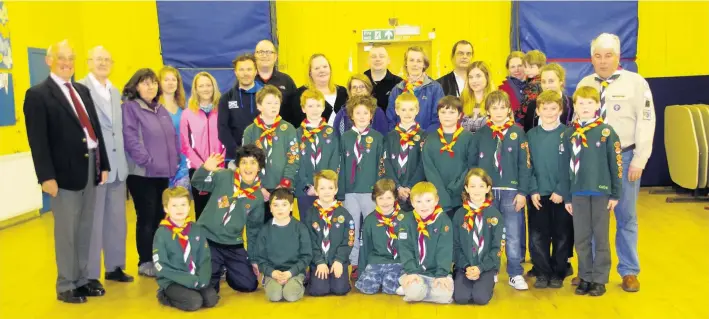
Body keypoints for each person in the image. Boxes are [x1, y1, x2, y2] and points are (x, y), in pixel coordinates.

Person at [24, 40, 110, 303]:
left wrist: (103, 164)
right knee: (67, 231)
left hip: (90, 165)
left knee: (85, 227)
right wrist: (45, 176)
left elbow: (94, 130)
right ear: (49, 60)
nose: (67, 62)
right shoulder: (38, 95)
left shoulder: (82, 91)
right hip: (62, 175)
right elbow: (37, 141)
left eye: (71, 58)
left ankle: (83, 279)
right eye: (61, 57)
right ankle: (66, 284)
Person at [576, 33, 655, 292]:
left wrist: (640, 160)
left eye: (608, 55)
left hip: (626, 157)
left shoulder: (636, 83)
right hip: (592, 162)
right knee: (591, 219)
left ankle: (629, 270)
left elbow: (646, 122)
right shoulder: (585, 83)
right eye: (597, 56)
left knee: (626, 216)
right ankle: (588, 270)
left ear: (618, 57)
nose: (603, 61)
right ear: (591, 58)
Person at [559, 86, 622, 297]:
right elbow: (564, 168)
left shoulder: (606, 132)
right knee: (582, 237)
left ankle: (600, 278)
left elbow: (616, 165)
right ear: (574, 107)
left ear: (597, 105)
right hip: (577, 193)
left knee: (601, 237)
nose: (585, 107)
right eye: (580, 103)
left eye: (589, 103)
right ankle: (585, 275)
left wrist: (615, 193)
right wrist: (567, 196)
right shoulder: (569, 134)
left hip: (601, 192)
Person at [78, 46, 133, 286]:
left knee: (116, 220)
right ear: (89, 62)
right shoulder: (80, 89)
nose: (103, 63)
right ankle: (90, 274)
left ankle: (115, 267)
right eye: (98, 59)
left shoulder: (114, 90)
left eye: (107, 60)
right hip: (95, 167)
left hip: (118, 165)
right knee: (93, 222)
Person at [470, 90, 531, 290]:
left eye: (502, 107)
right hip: (486, 192)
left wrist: (522, 192)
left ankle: (514, 272)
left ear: (508, 110)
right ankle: (491, 270)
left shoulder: (517, 132)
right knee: (488, 232)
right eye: (494, 108)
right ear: (487, 110)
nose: (498, 111)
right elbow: (473, 165)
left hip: (511, 191)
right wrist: (475, 191)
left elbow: (525, 164)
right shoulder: (480, 134)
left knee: (513, 234)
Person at [123, 68, 180, 278]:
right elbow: (130, 139)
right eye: (145, 83)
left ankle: (159, 257)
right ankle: (145, 261)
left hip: (162, 172)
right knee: (146, 217)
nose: (151, 87)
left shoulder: (160, 109)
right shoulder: (130, 108)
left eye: (154, 83)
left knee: (160, 216)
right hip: (142, 174)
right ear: (136, 86)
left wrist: (174, 161)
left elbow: (172, 137)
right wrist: (147, 161)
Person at [191, 145, 265, 294]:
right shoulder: (224, 176)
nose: (248, 167)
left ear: (259, 167)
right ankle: (212, 269)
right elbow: (197, 183)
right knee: (210, 289)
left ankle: (224, 267)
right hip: (208, 239)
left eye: (253, 163)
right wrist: (205, 169)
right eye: (244, 162)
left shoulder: (257, 196)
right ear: (238, 165)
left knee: (249, 285)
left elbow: (254, 231)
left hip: (233, 243)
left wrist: (254, 259)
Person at [527, 90, 574, 289]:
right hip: (539, 195)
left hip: (561, 194)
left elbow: (572, 166)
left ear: (561, 110)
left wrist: (562, 190)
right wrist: (533, 189)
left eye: (553, 108)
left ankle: (558, 272)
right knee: (538, 236)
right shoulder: (530, 136)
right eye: (544, 108)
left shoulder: (568, 134)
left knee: (562, 235)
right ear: (537, 111)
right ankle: (542, 272)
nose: (549, 112)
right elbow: (527, 165)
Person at [338, 95, 385, 281]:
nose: (362, 116)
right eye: (358, 113)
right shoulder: (345, 138)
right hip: (350, 192)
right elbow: (340, 166)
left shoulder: (378, 138)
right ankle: (355, 263)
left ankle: (372, 262)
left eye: (366, 113)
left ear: (371, 115)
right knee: (353, 228)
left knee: (371, 228)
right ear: (351, 115)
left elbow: (381, 165)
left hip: (370, 192)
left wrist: (380, 191)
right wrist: (341, 192)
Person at [153, 187, 218, 311]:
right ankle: (164, 295)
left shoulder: (196, 229)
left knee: (211, 299)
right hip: (173, 280)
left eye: (183, 204)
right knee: (194, 302)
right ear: (166, 208)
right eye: (174, 205)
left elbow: (205, 257)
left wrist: (203, 278)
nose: (179, 209)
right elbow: (161, 266)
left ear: (189, 207)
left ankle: (192, 289)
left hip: (195, 277)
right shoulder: (161, 233)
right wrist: (188, 280)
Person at [242, 85, 300, 222]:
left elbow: (293, 158)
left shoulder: (288, 129)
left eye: (276, 103)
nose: (273, 106)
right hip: (257, 188)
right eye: (268, 103)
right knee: (256, 228)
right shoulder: (250, 131)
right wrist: (259, 187)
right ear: (259, 106)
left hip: (283, 187)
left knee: (282, 227)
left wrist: (285, 183)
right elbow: (246, 164)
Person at [452, 168, 504, 305]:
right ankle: (462, 278)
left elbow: (496, 248)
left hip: (486, 266)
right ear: (466, 188)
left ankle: (490, 279)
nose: (477, 190)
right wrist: (466, 266)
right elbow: (455, 246)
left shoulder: (495, 215)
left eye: (481, 186)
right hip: (465, 266)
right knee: (461, 298)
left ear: (488, 188)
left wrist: (481, 268)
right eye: (472, 186)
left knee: (480, 298)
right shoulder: (459, 215)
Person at [396, 181, 453, 304]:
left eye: (428, 201)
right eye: (418, 201)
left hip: (437, 273)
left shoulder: (443, 220)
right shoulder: (407, 220)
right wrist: (411, 272)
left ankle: (416, 291)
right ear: (412, 202)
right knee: (415, 292)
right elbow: (405, 248)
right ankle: (415, 289)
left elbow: (445, 249)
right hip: (416, 272)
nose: (423, 206)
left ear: (436, 200)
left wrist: (442, 274)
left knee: (444, 296)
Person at [422, 96, 476, 218]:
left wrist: (456, 187)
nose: (447, 116)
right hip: (437, 198)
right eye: (443, 112)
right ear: (438, 115)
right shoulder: (430, 139)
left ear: (459, 115)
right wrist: (441, 192)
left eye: (452, 112)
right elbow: (429, 169)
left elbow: (471, 166)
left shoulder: (468, 138)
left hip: (462, 197)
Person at [255, 188, 313, 302]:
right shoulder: (264, 230)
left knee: (290, 295)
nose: (280, 208)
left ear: (291, 207)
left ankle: (299, 282)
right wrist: (272, 273)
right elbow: (260, 259)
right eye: (275, 205)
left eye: (284, 204)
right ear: (270, 208)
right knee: (275, 296)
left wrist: (290, 273)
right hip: (273, 273)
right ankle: (268, 281)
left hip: (294, 272)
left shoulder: (300, 228)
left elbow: (306, 256)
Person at [180, 71, 224, 219]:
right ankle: (202, 242)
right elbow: (185, 144)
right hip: (199, 171)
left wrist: (218, 162)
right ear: (195, 89)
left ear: (214, 87)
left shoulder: (222, 110)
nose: (205, 89)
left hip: (220, 168)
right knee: (202, 212)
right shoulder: (187, 113)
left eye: (208, 85)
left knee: (221, 211)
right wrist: (203, 166)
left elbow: (228, 139)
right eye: (201, 86)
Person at [303, 170, 353, 296]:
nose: (326, 191)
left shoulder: (344, 214)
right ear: (316, 190)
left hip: (337, 260)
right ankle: (311, 276)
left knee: (340, 290)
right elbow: (309, 240)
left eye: (330, 188)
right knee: (319, 291)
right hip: (318, 261)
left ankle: (340, 275)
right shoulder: (310, 214)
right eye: (322, 188)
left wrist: (339, 260)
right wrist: (319, 261)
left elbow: (349, 240)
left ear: (336, 190)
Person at [295, 89, 340, 220]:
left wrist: (325, 186)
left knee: (327, 223)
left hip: (327, 191)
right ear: (303, 109)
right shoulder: (297, 134)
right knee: (307, 224)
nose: (314, 109)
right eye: (310, 106)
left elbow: (335, 159)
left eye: (318, 105)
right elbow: (295, 162)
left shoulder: (332, 133)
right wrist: (306, 186)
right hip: (304, 191)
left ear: (323, 107)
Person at [355, 179, 404, 295]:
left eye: (388, 198)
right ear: (374, 199)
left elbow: (411, 247)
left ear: (395, 198)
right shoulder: (370, 220)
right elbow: (364, 247)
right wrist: (361, 272)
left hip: (396, 262)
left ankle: (386, 279)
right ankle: (379, 278)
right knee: (367, 288)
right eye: (380, 198)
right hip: (376, 261)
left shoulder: (404, 219)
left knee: (391, 289)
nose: (385, 202)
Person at [383, 92, 425, 211]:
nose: (407, 113)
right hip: (393, 190)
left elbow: (423, 164)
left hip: (415, 191)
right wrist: (398, 186)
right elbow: (386, 163)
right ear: (397, 111)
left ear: (417, 110)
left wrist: (410, 186)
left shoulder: (424, 136)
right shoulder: (389, 137)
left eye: (411, 109)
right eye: (403, 109)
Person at [385, 46, 445, 131]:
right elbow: (391, 120)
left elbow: (438, 118)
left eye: (419, 61)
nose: (415, 64)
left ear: (424, 64)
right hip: (401, 140)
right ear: (406, 63)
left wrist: (423, 138)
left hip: (426, 141)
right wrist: (399, 137)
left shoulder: (435, 88)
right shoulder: (397, 90)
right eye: (411, 60)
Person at [218, 54, 263, 162]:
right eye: (241, 69)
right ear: (235, 72)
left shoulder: (266, 95)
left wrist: (261, 151)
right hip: (235, 157)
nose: (245, 73)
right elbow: (223, 129)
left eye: (249, 69)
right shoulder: (226, 98)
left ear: (256, 71)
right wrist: (239, 152)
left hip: (262, 155)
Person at [288, 54, 348, 127]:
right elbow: (296, 123)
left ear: (330, 69)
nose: (322, 70)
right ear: (310, 73)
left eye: (325, 67)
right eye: (317, 68)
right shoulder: (300, 94)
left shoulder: (342, 91)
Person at [158, 66, 190, 190]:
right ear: (159, 83)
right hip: (163, 163)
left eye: (173, 79)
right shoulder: (154, 107)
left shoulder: (183, 106)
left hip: (183, 162)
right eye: (166, 80)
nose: (170, 83)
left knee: (181, 202)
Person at [523, 63, 574, 132]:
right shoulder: (533, 105)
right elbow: (527, 132)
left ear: (561, 81)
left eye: (551, 81)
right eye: (543, 82)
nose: (547, 86)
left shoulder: (571, 104)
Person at [254, 39, 297, 119]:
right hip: (253, 130)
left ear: (275, 57)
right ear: (255, 56)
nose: (265, 55)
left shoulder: (286, 81)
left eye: (269, 52)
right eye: (260, 52)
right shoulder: (248, 81)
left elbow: (295, 111)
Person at [364, 45, 402, 112]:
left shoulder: (399, 83)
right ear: (368, 61)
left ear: (388, 60)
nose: (377, 59)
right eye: (373, 56)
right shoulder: (360, 81)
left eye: (382, 56)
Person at [460, 61, 493, 133]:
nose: (474, 81)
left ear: (487, 77)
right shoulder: (462, 100)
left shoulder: (497, 100)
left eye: (478, 76)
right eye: (470, 77)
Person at [515, 50, 546, 125]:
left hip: (532, 121)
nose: (527, 70)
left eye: (531, 67)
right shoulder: (543, 80)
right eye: (525, 67)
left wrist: (515, 113)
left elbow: (526, 108)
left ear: (541, 67)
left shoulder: (533, 84)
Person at [498, 51, 526, 117]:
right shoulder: (502, 90)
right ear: (508, 69)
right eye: (513, 67)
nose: (517, 69)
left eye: (520, 66)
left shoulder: (535, 86)